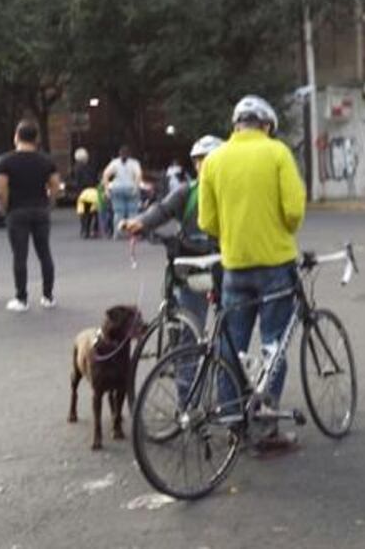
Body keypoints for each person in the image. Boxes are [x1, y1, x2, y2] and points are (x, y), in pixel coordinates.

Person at [198, 95, 304, 452]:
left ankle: (232, 422)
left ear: (235, 124)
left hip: (234, 267)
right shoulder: (277, 153)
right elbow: (293, 212)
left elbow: (206, 222)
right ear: (267, 125)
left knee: (231, 347)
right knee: (274, 344)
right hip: (275, 264)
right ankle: (266, 426)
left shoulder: (214, 160)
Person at [120, 135, 223, 329]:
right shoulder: (188, 191)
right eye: (199, 160)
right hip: (192, 259)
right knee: (190, 320)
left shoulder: (231, 191)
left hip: (225, 260)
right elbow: (163, 209)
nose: (203, 165)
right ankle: (187, 357)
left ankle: (224, 357)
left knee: (230, 323)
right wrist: (140, 223)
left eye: (209, 160)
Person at [0, 120, 60, 312]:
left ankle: (21, 298)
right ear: (37, 139)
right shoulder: (46, 160)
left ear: (16, 136)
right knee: (44, 253)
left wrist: (5, 207)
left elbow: (2, 189)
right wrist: (49, 203)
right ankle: (48, 296)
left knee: (20, 255)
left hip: (17, 211)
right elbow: (55, 185)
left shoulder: (7, 161)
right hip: (40, 209)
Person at [102, 145, 142, 238]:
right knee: (132, 213)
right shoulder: (134, 163)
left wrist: (107, 189)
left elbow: (106, 174)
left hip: (116, 188)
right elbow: (138, 175)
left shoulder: (114, 162)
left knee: (118, 212)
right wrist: (136, 188)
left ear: (119, 154)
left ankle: (117, 233)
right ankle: (133, 233)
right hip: (130, 188)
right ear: (129, 155)